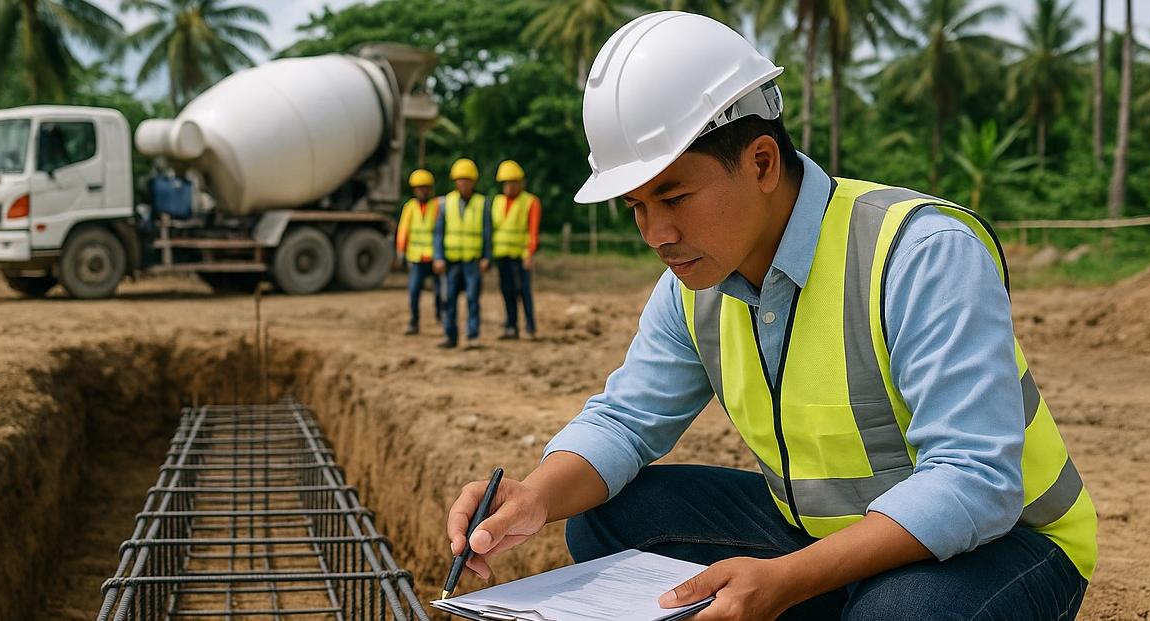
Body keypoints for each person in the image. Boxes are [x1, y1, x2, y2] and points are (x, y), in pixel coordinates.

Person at [444, 12, 1096, 621]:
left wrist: (788, 580)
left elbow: (973, 479)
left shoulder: (918, 252)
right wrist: (532, 496)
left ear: (761, 161)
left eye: (673, 196)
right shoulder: (692, 285)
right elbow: (625, 419)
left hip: (1006, 542)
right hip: (823, 534)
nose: (655, 232)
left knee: (898, 612)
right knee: (600, 518)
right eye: (635, 206)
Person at [434, 158, 492, 349]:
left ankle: (473, 336)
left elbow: (487, 232)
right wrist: (438, 257)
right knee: (449, 300)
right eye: (460, 180)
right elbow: (439, 232)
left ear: (474, 181)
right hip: (451, 261)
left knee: (472, 299)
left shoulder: (482, 203)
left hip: (472, 262)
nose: (463, 183)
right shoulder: (445, 203)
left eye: (467, 180)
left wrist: (486, 257)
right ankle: (450, 336)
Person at [490, 160, 542, 340]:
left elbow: (533, 231)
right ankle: (511, 326)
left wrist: (529, 254)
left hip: (520, 256)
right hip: (501, 255)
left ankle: (530, 327)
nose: (509, 186)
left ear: (520, 182)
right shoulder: (496, 202)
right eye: (506, 182)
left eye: (512, 182)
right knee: (507, 291)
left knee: (523, 291)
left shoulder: (530, 202)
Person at [396, 169, 443, 335]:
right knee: (414, 291)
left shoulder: (437, 206)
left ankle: (441, 317)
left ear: (430, 189)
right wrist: (401, 252)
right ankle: (414, 322)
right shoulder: (410, 207)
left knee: (440, 292)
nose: (422, 190)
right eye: (419, 187)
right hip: (416, 257)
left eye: (425, 187)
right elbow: (403, 230)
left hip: (434, 257)